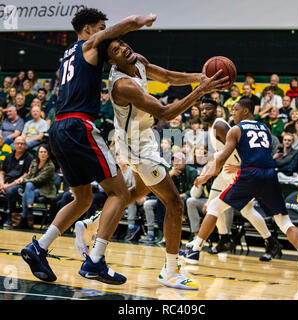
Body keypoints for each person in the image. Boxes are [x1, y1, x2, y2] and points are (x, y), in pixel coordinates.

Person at [73, 34, 229, 290]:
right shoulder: (123, 85)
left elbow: (167, 76)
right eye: (116, 49)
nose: (124, 49)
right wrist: (201, 91)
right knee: (175, 203)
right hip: (136, 144)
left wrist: (197, 78)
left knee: (142, 189)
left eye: (122, 43)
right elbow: (166, 112)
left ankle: (93, 224)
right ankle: (170, 270)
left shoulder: (138, 60)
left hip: (143, 137)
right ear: (111, 61)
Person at [21, 8, 159, 286]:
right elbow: (126, 25)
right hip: (79, 125)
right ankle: (95, 260)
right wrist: (142, 20)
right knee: (120, 193)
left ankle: (39, 248)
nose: (104, 32)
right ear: (87, 29)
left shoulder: (68, 54)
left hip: (58, 128)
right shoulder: (89, 44)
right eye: (100, 27)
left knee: (83, 199)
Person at [181, 99, 298, 276]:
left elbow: (221, 160)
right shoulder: (265, 129)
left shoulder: (236, 130)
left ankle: (194, 251)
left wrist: (204, 176)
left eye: (236, 110)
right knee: (284, 221)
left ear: (246, 111)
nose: (233, 114)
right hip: (269, 175)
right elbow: (261, 155)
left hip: (249, 176)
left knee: (213, 206)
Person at [183, 98, 282, 260]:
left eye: (208, 109)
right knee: (213, 206)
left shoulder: (220, 125)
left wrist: (240, 166)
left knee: (246, 210)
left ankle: (271, 241)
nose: (204, 112)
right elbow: (219, 156)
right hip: (226, 172)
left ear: (216, 111)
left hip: (238, 171)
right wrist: (206, 173)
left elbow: (239, 147)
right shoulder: (211, 128)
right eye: (202, 109)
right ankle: (224, 239)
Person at [14, 144, 56, 229]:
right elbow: (29, 175)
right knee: (28, 188)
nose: (43, 154)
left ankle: (24, 219)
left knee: (27, 191)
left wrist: (23, 180)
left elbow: (38, 179)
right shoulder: (34, 162)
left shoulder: (51, 166)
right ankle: (29, 209)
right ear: (38, 154)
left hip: (45, 190)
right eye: (41, 152)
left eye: (45, 152)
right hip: (32, 188)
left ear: (48, 154)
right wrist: (22, 180)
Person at [1, 136, 33, 227]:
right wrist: (2, 184)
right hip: (5, 183)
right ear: (14, 145)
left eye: (22, 143)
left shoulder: (29, 157)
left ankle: (10, 218)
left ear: (25, 145)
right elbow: (2, 172)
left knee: (11, 191)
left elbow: (26, 175)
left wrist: (8, 186)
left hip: (19, 185)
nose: (19, 145)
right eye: (17, 143)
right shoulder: (8, 156)